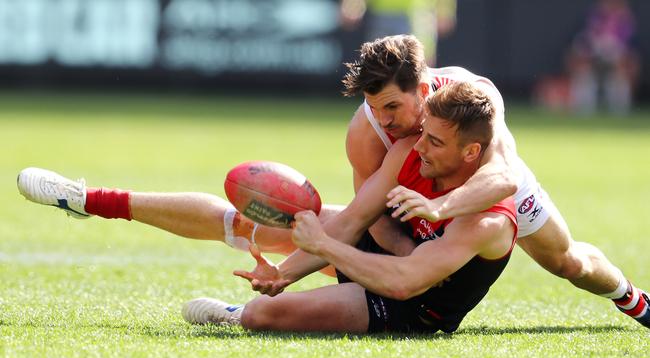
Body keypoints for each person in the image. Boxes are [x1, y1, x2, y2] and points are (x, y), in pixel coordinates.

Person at [17, 34, 649, 328]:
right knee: (253, 224)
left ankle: (631, 297)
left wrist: (437, 215)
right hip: (409, 225)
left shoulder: (469, 101)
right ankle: (88, 198)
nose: (387, 122)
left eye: (397, 110)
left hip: (476, 195)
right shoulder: (372, 135)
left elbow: (502, 179)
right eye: (377, 111)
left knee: (568, 262)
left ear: (426, 90)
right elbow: (363, 222)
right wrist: (334, 254)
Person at [184, 82, 517, 333]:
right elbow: (352, 221)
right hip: (394, 258)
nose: (419, 145)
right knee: (293, 225)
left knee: (260, 314)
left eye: (435, 141)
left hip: (411, 302)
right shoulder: (410, 153)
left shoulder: (488, 221)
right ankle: (129, 201)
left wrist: (324, 245)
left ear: (471, 152)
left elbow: (405, 282)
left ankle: (234, 314)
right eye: (424, 133)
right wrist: (282, 275)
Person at [566, 0, 639, 115]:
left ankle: (619, 113)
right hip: (594, 60)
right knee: (584, 74)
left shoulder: (625, 21)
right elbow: (585, 42)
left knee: (620, 76)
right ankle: (583, 112)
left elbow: (627, 48)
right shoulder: (594, 18)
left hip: (616, 62)